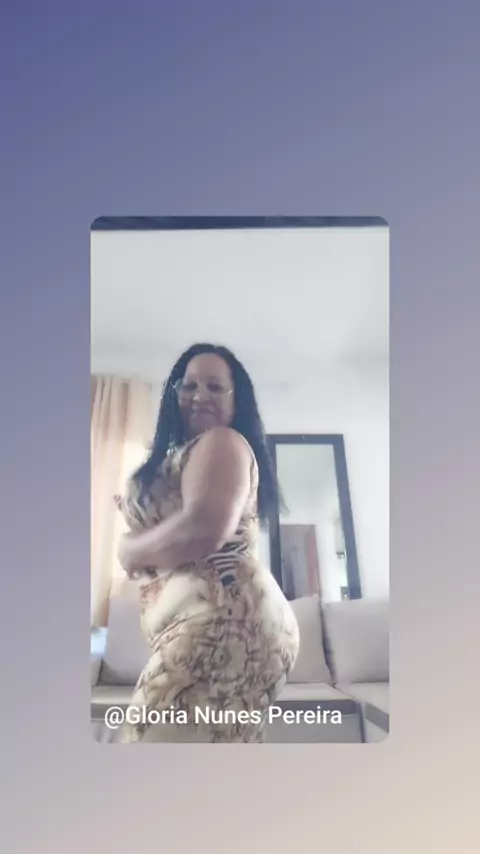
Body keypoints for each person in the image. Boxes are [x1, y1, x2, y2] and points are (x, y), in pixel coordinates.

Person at [115, 342, 299, 742]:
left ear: (236, 400)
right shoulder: (190, 452)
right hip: (219, 624)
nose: (199, 395)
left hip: (224, 626)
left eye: (214, 387)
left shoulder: (222, 441)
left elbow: (204, 528)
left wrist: (129, 550)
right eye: (189, 385)